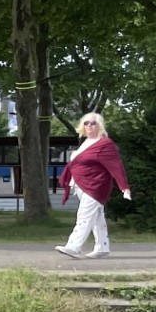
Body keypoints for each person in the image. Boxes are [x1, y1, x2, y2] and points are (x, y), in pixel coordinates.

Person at [55, 111, 132, 259]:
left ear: (100, 126)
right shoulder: (85, 143)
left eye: (93, 123)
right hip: (80, 185)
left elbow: (116, 166)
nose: (89, 126)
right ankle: (102, 247)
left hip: (96, 185)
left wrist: (124, 187)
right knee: (96, 217)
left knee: (84, 215)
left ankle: (73, 247)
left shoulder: (105, 144)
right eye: (86, 123)